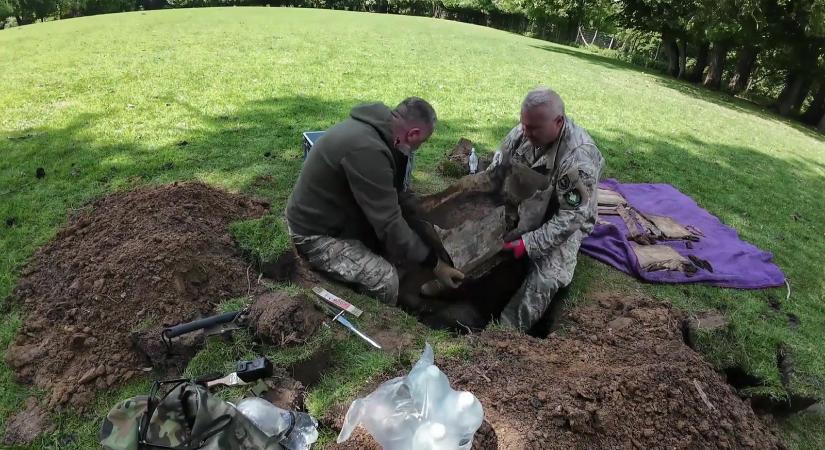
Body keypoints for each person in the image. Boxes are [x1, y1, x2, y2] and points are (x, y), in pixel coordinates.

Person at [286, 98, 464, 305]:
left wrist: (422, 221)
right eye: (421, 142)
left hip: (336, 215)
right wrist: (436, 265)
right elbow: (389, 223)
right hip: (313, 233)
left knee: (398, 248)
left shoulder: (379, 131)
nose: (418, 148)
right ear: (413, 134)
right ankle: (318, 271)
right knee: (386, 280)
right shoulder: (368, 150)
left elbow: (393, 195)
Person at [490, 87, 605, 331]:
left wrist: (527, 244)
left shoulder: (579, 156)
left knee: (548, 275)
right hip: (526, 203)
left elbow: (572, 217)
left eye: (533, 128)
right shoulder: (523, 132)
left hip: (564, 216)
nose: (525, 132)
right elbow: (495, 174)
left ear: (558, 122)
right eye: (524, 125)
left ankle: (505, 334)